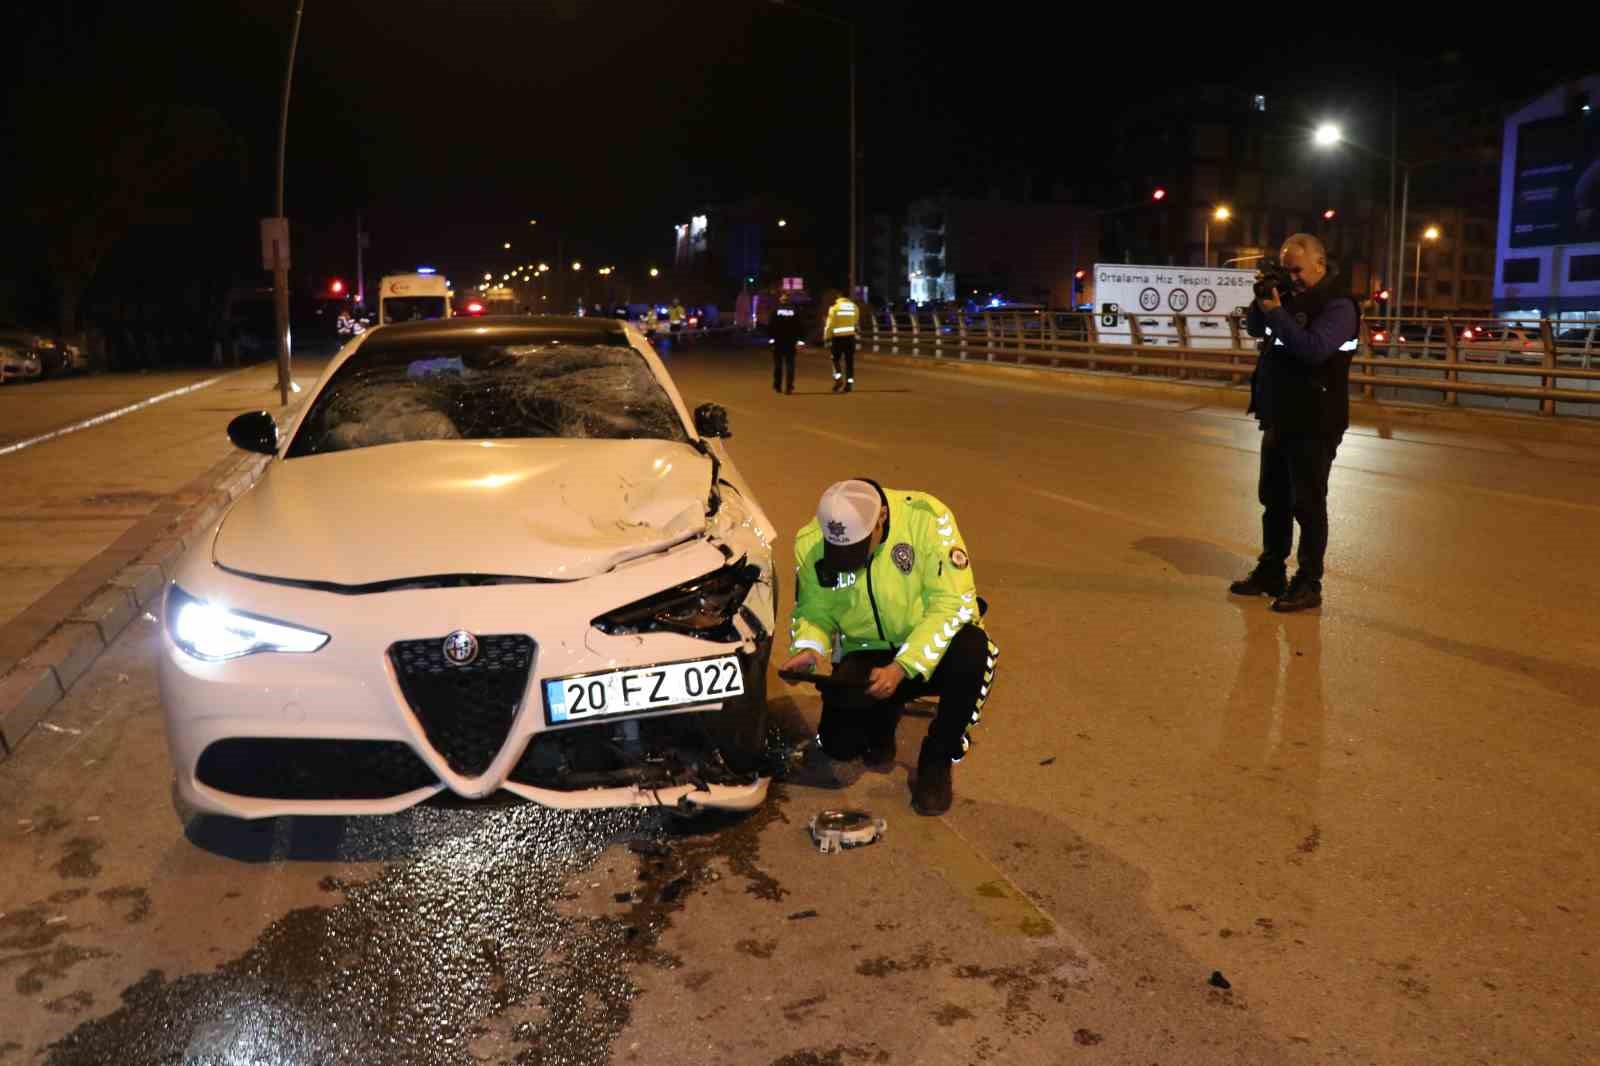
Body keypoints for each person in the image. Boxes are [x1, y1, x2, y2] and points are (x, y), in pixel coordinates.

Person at [781, 479, 998, 815]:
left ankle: (937, 760)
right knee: (838, 746)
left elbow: (953, 605)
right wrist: (810, 649)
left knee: (973, 649)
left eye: (858, 548)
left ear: (881, 516)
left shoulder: (927, 519)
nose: (850, 560)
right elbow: (814, 610)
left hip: (928, 649)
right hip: (867, 652)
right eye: (841, 552)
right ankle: (884, 714)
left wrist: (903, 667)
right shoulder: (811, 542)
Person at [1229, 233, 1360, 613]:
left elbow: (1313, 350)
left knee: (1308, 502)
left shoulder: (1339, 306)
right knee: (1274, 498)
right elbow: (1256, 329)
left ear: (1320, 264)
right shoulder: (1286, 299)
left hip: (1316, 418)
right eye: (1285, 270)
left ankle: (1309, 582)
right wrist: (1263, 298)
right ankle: (1272, 570)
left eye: (1296, 270)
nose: (1292, 277)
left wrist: (1276, 313)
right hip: (1280, 414)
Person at [822, 292, 859, 392]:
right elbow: (855, 321)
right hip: (850, 337)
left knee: (835, 359)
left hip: (837, 338)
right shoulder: (854, 307)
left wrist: (826, 337)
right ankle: (849, 384)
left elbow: (829, 325)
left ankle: (838, 378)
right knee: (849, 362)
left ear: (838, 297)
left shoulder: (834, 308)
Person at [768, 291, 804, 394]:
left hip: (778, 341)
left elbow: (771, 326)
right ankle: (789, 387)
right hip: (790, 341)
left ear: (781, 300)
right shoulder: (795, 311)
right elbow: (800, 326)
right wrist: (800, 340)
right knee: (790, 364)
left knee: (778, 365)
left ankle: (777, 386)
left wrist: (771, 340)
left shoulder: (775, 311)